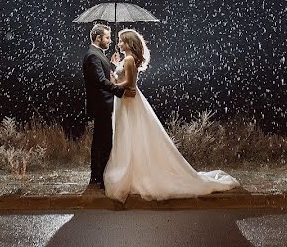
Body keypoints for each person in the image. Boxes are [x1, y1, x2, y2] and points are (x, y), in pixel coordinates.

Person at [103, 28, 240, 202]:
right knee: (130, 135)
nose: (119, 43)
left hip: (129, 102)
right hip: (126, 101)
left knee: (130, 134)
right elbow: (124, 79)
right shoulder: (126, 60)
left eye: (121, 40)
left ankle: (133, 172)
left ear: (129, 43)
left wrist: (113, 82)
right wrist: (116, 69)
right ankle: (133, 169)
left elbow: (129, 83)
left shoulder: (129, 60)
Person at [82, 23, 136, 191]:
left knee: (102, 141)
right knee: (102, 142)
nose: (109, 40)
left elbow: (106, 75)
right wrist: (121, 91)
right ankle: (99, 178)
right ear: (98, 38)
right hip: (101, 105)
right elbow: (100, 81)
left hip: (104, 104)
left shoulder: (98, 54)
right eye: (107, 37)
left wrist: (112, 65)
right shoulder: (93, 55)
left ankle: (99, 177)